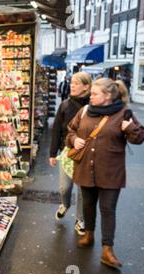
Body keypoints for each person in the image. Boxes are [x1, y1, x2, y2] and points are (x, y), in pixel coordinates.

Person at [66, 78, 144, 269]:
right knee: (88, 204)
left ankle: (107, 250)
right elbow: (70, 130)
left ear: (108, 95)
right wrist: (74, 139)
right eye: (91, 93)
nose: (90, 97)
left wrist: (130, 129)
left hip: (111, 171)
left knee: (108, 209)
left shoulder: (124, 114)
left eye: (95, 94)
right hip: (86, 168)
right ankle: (89, 234)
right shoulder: (84, 111)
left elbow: (140, 137)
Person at [50, 72, 91, 236]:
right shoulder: (65, 105)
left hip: (86, 155)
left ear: (86, 86)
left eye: (76, 83)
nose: (72, 85)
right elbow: (56, 130)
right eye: (71, 82)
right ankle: (65, 204)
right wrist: (52, 153)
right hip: (66, 152)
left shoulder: (92, 107)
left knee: (82, 190)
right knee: (64, 187)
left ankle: (80, 219)